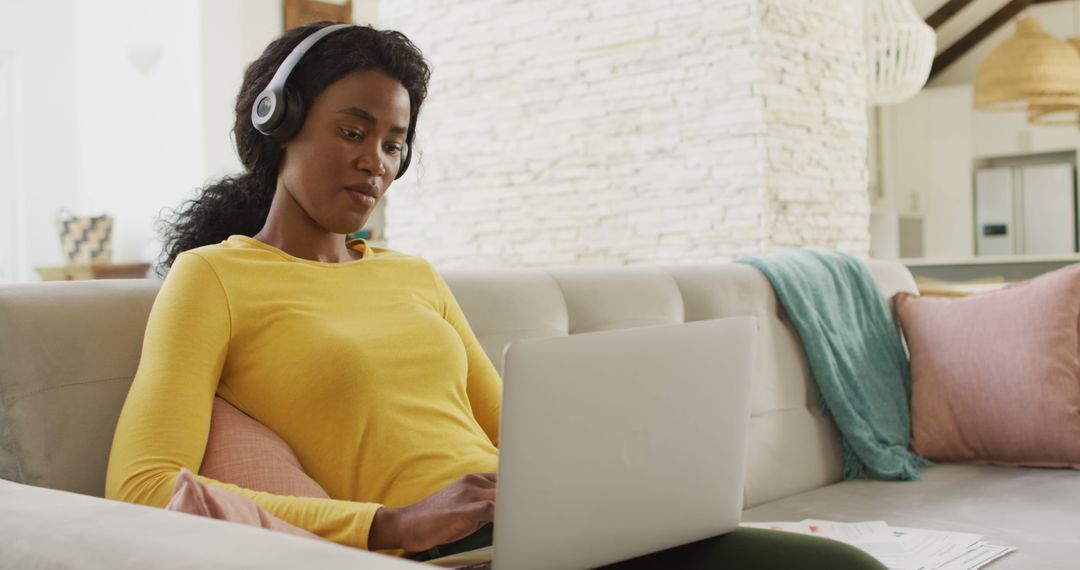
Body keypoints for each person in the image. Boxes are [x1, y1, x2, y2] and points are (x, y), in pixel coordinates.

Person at [106, 21, 886, 569]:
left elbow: (520, 432)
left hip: (546, 533)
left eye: (394, 142)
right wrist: (391, 524)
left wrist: (623, 485)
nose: (376, 162)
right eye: (352, 131)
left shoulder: (411, 274)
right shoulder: (212, 278)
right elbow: (141, 489)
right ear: (279, 124)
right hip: (439, 549)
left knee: (841, 569)